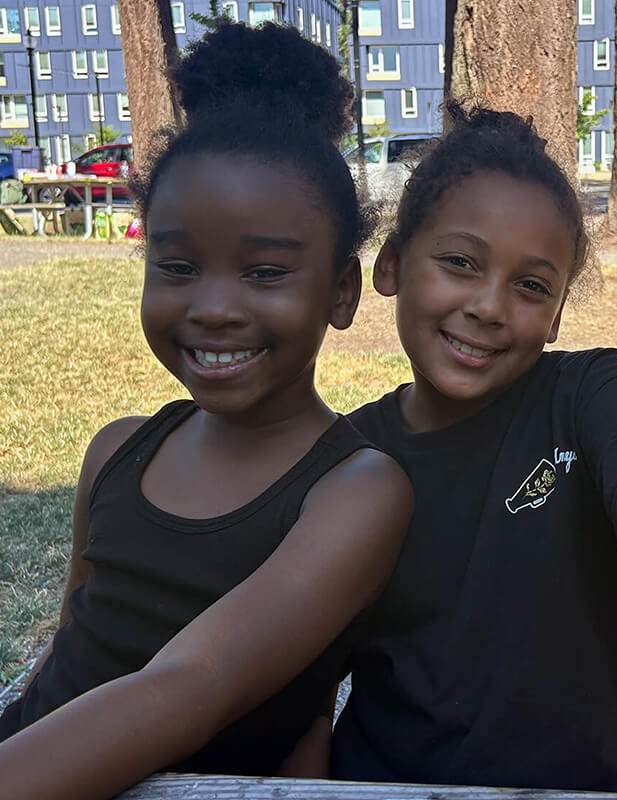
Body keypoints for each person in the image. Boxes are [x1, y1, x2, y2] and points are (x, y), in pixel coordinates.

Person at [0, 21, 411, 800]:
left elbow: (198, 685)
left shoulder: (357, 490)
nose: (214, 309)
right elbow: (67, 656)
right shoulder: (116, 451)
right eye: (179, 266)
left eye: (264, 272)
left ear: (342, 293)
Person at [328, 103, 617, 795]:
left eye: (530, 286)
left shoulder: (593, 394)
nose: (490, 306)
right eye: (460, 262)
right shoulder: (341, 460)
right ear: (393, 264)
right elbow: (296, 688)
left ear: (555, 316)